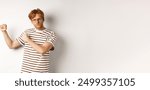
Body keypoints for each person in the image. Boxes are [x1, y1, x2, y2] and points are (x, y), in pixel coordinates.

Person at [0, 8, 56, 73]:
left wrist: (28, 40)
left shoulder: (51, 34)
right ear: (31, 21)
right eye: (34, 20)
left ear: (43, 19)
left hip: (42, 73)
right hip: (26, 72)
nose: (37, 22)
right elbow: (11, 45)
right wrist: (4, 31)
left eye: (39, 19)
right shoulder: (27, 32)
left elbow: (42, 50)